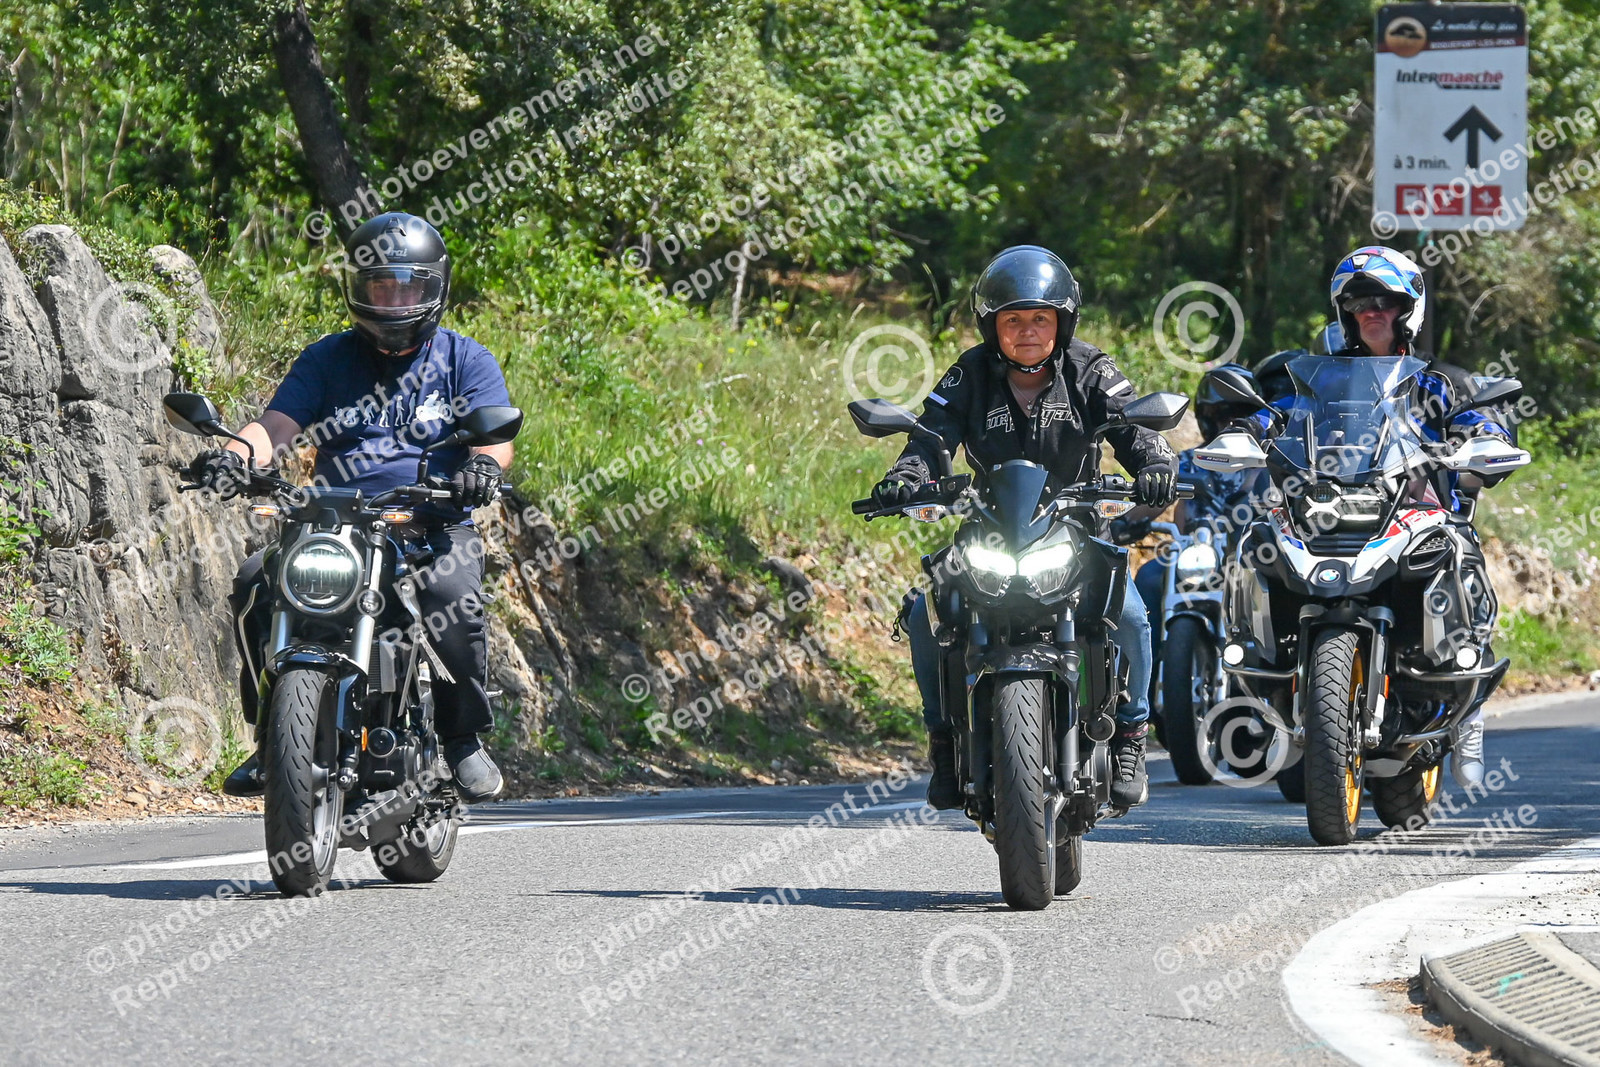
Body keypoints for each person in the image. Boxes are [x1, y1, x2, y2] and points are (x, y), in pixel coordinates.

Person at [190, 212, 514, 802]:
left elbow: (495, 438)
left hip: (429, 526)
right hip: (336, 525)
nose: (392, 301)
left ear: (435, 289)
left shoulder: (465, 360)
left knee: (452, 600)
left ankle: (461, 737)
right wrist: (234, 456)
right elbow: (275, 427)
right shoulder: (327, 359)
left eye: (406, 288)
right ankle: (274, 737)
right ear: (357, 288)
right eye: (379, 287)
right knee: (254, 583)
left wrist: (483, 468)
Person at [871, 245, 1179, 810]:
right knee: (923, 615)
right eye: (1013, 320)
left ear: (1063, 322)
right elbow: (931, 437)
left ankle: (1131, 734)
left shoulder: (1091, 369)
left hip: (1076, 530)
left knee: (1132, 614)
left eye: (1041, 318)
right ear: (992, 326)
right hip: (988, 530)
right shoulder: (969, 373)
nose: (1028, 331)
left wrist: (1156, 466)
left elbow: (1134, 428)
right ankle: (942, 740)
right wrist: (906, 478)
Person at [1231, 245, 1513, 788]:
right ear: (1345, 313)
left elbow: (1480, 417)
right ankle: (1267, 660)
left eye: (1384, 301)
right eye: (1360, 303)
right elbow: (1277, 418)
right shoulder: (1319, 382)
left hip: (1417, 510)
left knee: (1459, 546)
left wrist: (1485, 439)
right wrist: (1246, 432)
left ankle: (1468, 697)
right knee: (1259, 539)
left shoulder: (1438, 381)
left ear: (1409, 308)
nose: (1372, 311)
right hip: (1332, 513)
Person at [1122, 364, 1270, 668]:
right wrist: (1121, 522)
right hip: (1192, 557)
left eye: (1241, 416)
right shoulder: (1189, 461)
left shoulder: (1269, 462)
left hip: (1249, 556)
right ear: (1207, 418)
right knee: (1149, 576)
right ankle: (1143, 677)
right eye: (1223, 416)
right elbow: (1157, 500)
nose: (1232, 425)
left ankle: (1271, 671)